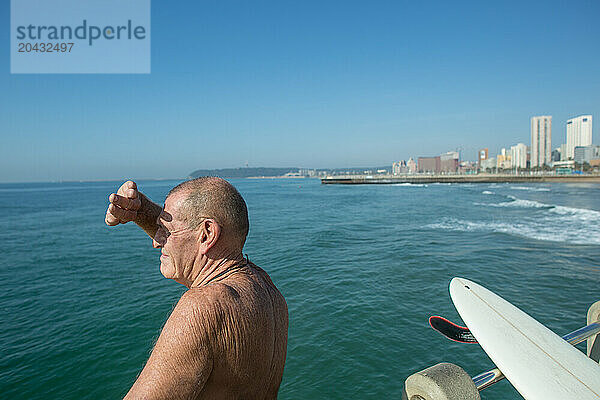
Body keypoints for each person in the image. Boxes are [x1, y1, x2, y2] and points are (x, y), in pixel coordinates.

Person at [105, 178, 288, 399]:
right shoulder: (270, 294)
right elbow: (190, 236)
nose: (156, 242)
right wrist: (141, 211)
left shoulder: (201, 308)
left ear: (207, 234)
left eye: (166, 230)